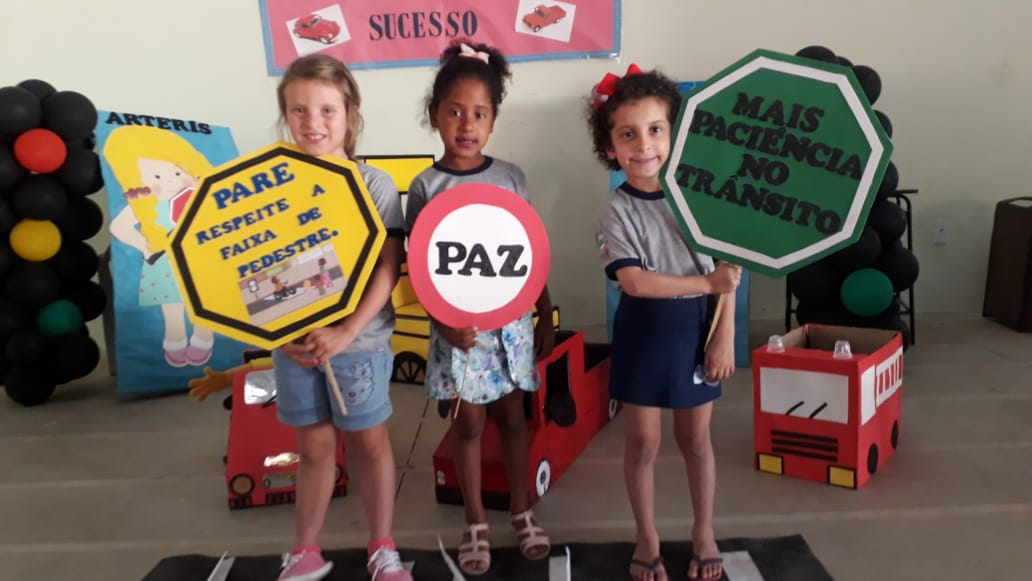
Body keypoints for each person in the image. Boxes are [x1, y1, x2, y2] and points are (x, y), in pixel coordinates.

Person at [405, 39, 555, 576]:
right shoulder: (426, 186)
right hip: (458, 329)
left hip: (510, 325)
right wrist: (443, 322)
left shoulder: (511, 177)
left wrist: (544, 311)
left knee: (513, 418)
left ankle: (520, 508)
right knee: (467, 424)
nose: (466, 125)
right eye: (454, 112)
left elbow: (527, 253)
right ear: (434, 115)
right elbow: (421, 268)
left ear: (493, 120)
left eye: (479, 113)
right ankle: (474, 520)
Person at [588, 65, 742, 581]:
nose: (643, 145)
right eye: (627, 134)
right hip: (644, 333)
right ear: (609, 146)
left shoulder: (702, 196)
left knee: (696, 441)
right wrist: (708, 283)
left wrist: (723, 336)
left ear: (674, 133)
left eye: (655, 130)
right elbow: (634, 282)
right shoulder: (615, 213)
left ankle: (704, 532)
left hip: (700, 330)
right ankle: (647, 537)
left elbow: (729, 273)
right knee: (644, 445)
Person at [271, 53, 411, 581]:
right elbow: (257, 267)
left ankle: (382, 546)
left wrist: (347, 330)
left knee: (369, 444)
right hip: (296, 346)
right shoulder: (273, 186)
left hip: (360, 344)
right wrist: (279, 332)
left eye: (327, 110)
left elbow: (388, 267)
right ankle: (305, 550)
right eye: (299, 110)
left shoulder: (373, 185)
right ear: (286, 115)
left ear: (350, 115)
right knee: (313, 447)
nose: (313, 122)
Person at [103, 125, 216, 367]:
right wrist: (146, 247)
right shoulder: (145, 206)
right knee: (172, 307)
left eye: (177, 172)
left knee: (204, 304)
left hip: (200, 263)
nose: (171, 181)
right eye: (156, 176)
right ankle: (175, 341)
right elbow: (118, 227)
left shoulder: (199, 200)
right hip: (165, 264)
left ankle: (203, 337)